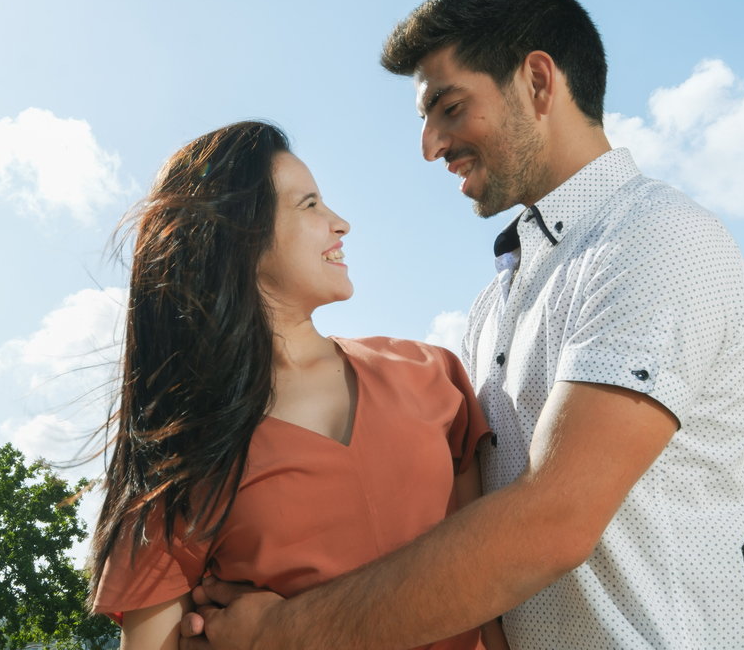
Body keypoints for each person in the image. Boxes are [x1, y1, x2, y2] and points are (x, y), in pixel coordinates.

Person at [177, 0, 744, 648]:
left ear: (537, 82)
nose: (430, 145)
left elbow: (553, 519)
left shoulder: (657, 239)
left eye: (450, 106)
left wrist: (283, 632)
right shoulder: (491, 305)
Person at [86, 121, 510, 650]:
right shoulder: (178, 459)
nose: (341, 224)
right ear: (238, 238)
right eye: (309, 205)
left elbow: (495, 603)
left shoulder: (432, 373)